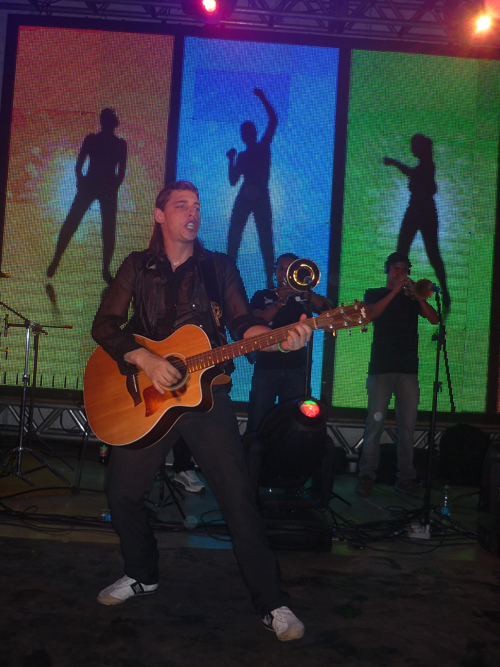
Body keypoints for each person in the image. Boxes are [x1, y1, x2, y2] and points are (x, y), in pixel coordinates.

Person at [91, 180, 312, 641]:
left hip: (205, 399)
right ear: (159, 215)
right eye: (181, 206)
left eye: (196, 206)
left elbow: (242, 323)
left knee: (238, 498)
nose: (192, 213)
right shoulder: (137, 266)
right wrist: (145, 359)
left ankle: (272, 602)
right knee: (121, 492)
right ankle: (141, 573)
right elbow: (105, 324)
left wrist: (277, 339)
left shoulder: (218, 267)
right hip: (148, 398)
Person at [355, 251, 439, 499]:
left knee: (407, 427)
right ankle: (366, 476)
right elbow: (371, 314)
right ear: (387, 270)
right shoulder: (374, 293)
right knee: (375, 424)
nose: (401, 274)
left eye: (405, 270)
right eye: (396, 270)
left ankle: (406, 478)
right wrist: (394, 292)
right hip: (381, 368)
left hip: (408, 369)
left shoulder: (413, 298)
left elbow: (434, 319)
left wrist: (418, 296)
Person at [246, 253, 331, 434]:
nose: (284, 274)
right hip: (266, 367)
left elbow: (328, 309)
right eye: (281, 269)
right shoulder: (263, 295)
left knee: (295, 423)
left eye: (289, 269)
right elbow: (255, 321)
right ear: (275, 271)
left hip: (297, 368)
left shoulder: (305, 297)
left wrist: (304, 292)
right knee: (257, 422)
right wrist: (280, 302)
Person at [47, 108, 127, 285]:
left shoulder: (102, 141)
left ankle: (59, 260)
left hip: (94, 186)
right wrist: (85, 181)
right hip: (97, 186)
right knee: (91, 227)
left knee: (79, 224)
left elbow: (81, 165)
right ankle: (102, 269)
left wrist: (83, 181)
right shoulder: (114, 143)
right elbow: (118, 172)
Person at [384, 134, 450, 313]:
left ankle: (400, 289)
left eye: (414, 145)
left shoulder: (427, 165)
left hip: (420, 210)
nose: (412, 148)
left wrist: (394, 163)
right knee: (409, 252)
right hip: (420, 210)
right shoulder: (426, 165)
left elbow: (415, 175)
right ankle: (399, 288)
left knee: (414, 252)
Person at [226, 88, 277, 290]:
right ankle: (229, 275)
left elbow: (273, 121)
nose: (245, 135)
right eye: (244, 133)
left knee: (264, 237)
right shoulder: (244, 156)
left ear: (253, 134)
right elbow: (233, 180)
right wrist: (231, 160)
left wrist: (263, 97)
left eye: (247, 132)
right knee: (236, 235)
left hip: (258, 195)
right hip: (250, 195)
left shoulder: (262, 147)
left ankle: (270, 280)